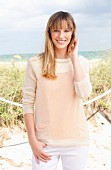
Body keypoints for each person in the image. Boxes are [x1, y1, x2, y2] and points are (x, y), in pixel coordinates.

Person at [22, 11, 92, 170]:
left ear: (73, 33)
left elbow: (84, 94)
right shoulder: (35, 63)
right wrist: (33, 142)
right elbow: (27, 104)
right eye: (56, 30)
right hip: (45, 143)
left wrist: (74, 58)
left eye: (67, 30)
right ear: (49, 32)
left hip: (76, 142)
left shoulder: (81, 62)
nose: (61, 35)